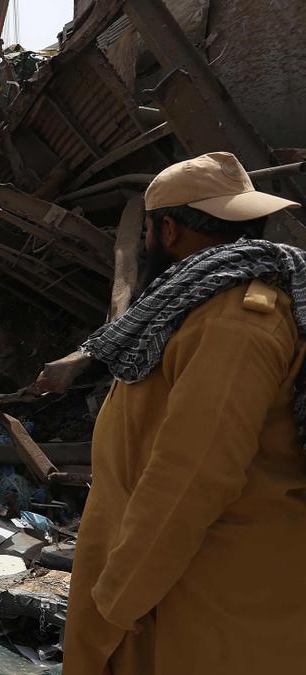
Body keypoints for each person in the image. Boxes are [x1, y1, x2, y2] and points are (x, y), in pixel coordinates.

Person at [60, 152, 306, 675]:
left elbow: (193, 477)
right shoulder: (203, 303)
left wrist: (117, 600)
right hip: (172, 580)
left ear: (166, 231)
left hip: (197, 595)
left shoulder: (237, 323)